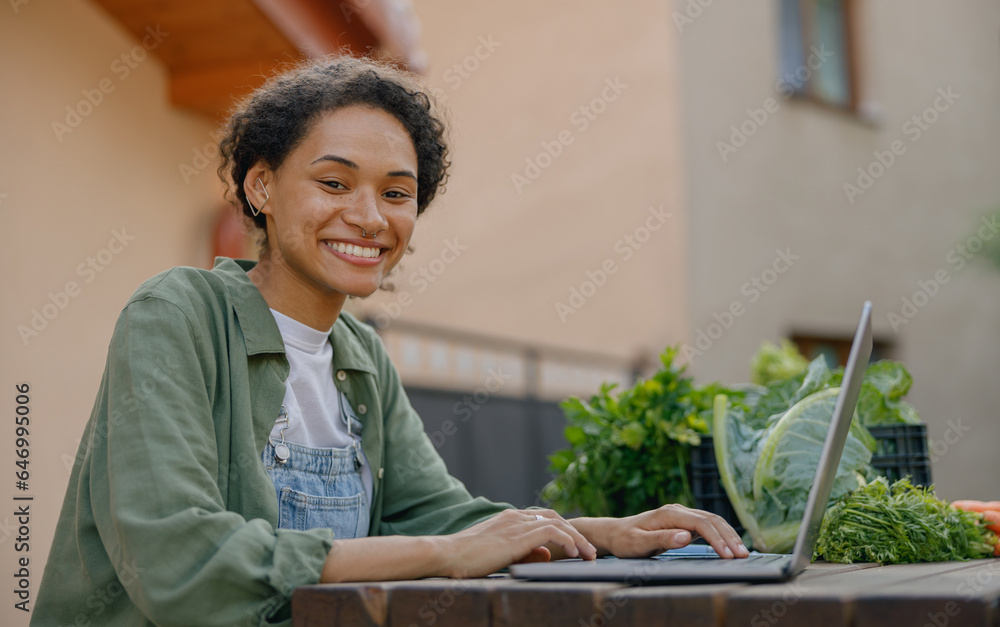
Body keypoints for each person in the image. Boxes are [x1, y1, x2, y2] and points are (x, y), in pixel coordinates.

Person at [32, 56, 747, 627]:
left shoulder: (360, 356)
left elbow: (442, 514)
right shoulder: (177, 315)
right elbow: (180, 560)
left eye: (397, 193)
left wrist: (601, 532)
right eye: (334, 181)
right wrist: (445, 554)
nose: (370, 216)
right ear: (261, 187)